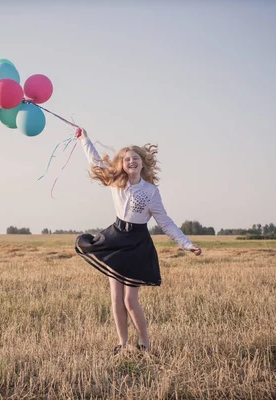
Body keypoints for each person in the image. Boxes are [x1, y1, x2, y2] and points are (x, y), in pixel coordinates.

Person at [74, 127, 202, 354]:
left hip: (136, 245)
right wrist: (84, 138)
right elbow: (94, 159)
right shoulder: (116, 182)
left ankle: (145, 343)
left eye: (135, 158)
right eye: (126, 159)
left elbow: (165, 222)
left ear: (142, 163)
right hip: (115, 239)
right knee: (115, 298)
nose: (131, 161)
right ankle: (122, 344)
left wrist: (186, 243)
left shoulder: (151, 191)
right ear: (122, 164)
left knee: (130, 300)